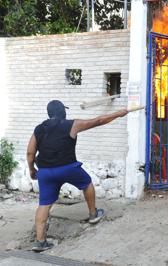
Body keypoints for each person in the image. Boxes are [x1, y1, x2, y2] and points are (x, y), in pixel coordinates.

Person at [27, 100, 128, 252]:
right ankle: (93, 214)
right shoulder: (72, 125)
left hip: (46, 172)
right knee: (87, 183)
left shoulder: (39, 129)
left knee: (44, 204)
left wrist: (32, 170)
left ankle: (40, 242)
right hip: (67, 168)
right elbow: (98, 121)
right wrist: (119, 114)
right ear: (63, 112)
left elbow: (30, 152)